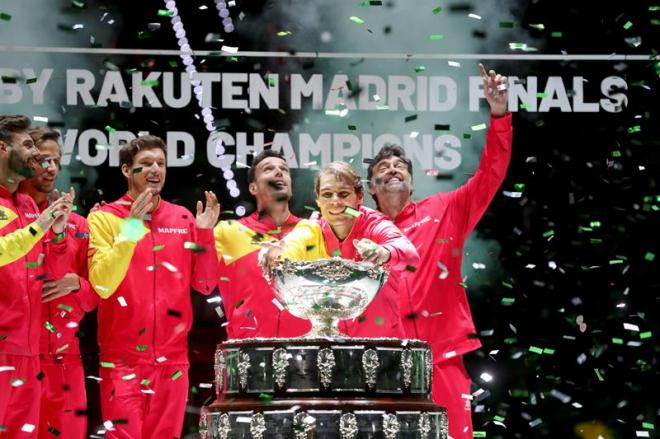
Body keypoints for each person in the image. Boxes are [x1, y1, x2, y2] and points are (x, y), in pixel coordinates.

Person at [366, 64, 513, 439]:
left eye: (400, 165)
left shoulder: (445, 209)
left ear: (411, 180)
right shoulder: (360, 229)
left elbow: (491, 173)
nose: (393, 168)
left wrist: (499, 116)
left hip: (442, 357)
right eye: (384, 166)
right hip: (381, 361)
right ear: (371, 186)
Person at [87, 134, 219, 438]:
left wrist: (205, 236)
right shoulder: (103, 218)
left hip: (173, 361)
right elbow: (103, 284)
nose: (155, 169)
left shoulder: (182, 217)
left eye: (160, 163)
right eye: (145, 164)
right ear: (126, 170)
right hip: (122, 361)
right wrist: (133, 225)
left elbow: (205, 283)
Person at [261, 161, 420, 337]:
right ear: (318, 200)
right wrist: (279, 254)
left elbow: (411, 255)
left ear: (359, 197)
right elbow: (293, 244)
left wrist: (384, 252)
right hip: (331, 344)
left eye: (343, 194)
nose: (335, 202)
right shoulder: (312, 229)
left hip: (380, 343)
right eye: (327, 195)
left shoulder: (373, 223)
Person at [18, 127, 98, 439]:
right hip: (18, 358)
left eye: (55, 160)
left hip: (67, 360)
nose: (51, 167)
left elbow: (93, 300)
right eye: (42, 160)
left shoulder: (78, 224)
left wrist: (78, 284)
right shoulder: (9, 217)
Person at [0, 115, 74, 437]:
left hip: (29, 352)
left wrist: (57, 235)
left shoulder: (29, 204)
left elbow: (50, 273)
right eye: (27, 144)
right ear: (2, 148)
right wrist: (41, 226)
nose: (35, 153)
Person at [213, 149, 311, 338]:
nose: (279, 172)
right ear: (253, 188)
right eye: (268, 169)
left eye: (284, 169)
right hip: (249, 353)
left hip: (306, 352)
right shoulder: (228, 232)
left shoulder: (311, 231)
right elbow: (202, 281)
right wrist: (202, 233)